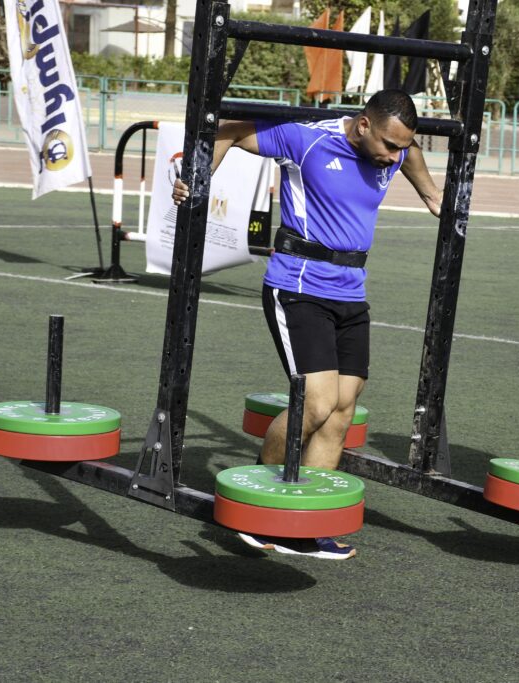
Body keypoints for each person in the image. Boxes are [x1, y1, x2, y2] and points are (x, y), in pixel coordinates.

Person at [174, 89, 441, 559]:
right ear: (363, 124)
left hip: (351, 293)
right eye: (388, 145)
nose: (393, 156)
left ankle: (305, 520)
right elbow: (226, 129)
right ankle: (257, 506)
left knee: (342, 408)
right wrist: (197, 181)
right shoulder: (306, 139)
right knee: (315, 404)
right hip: (299, 286)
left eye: (400, 146)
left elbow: (412, 152)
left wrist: (432, 194)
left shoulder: (396, 148)